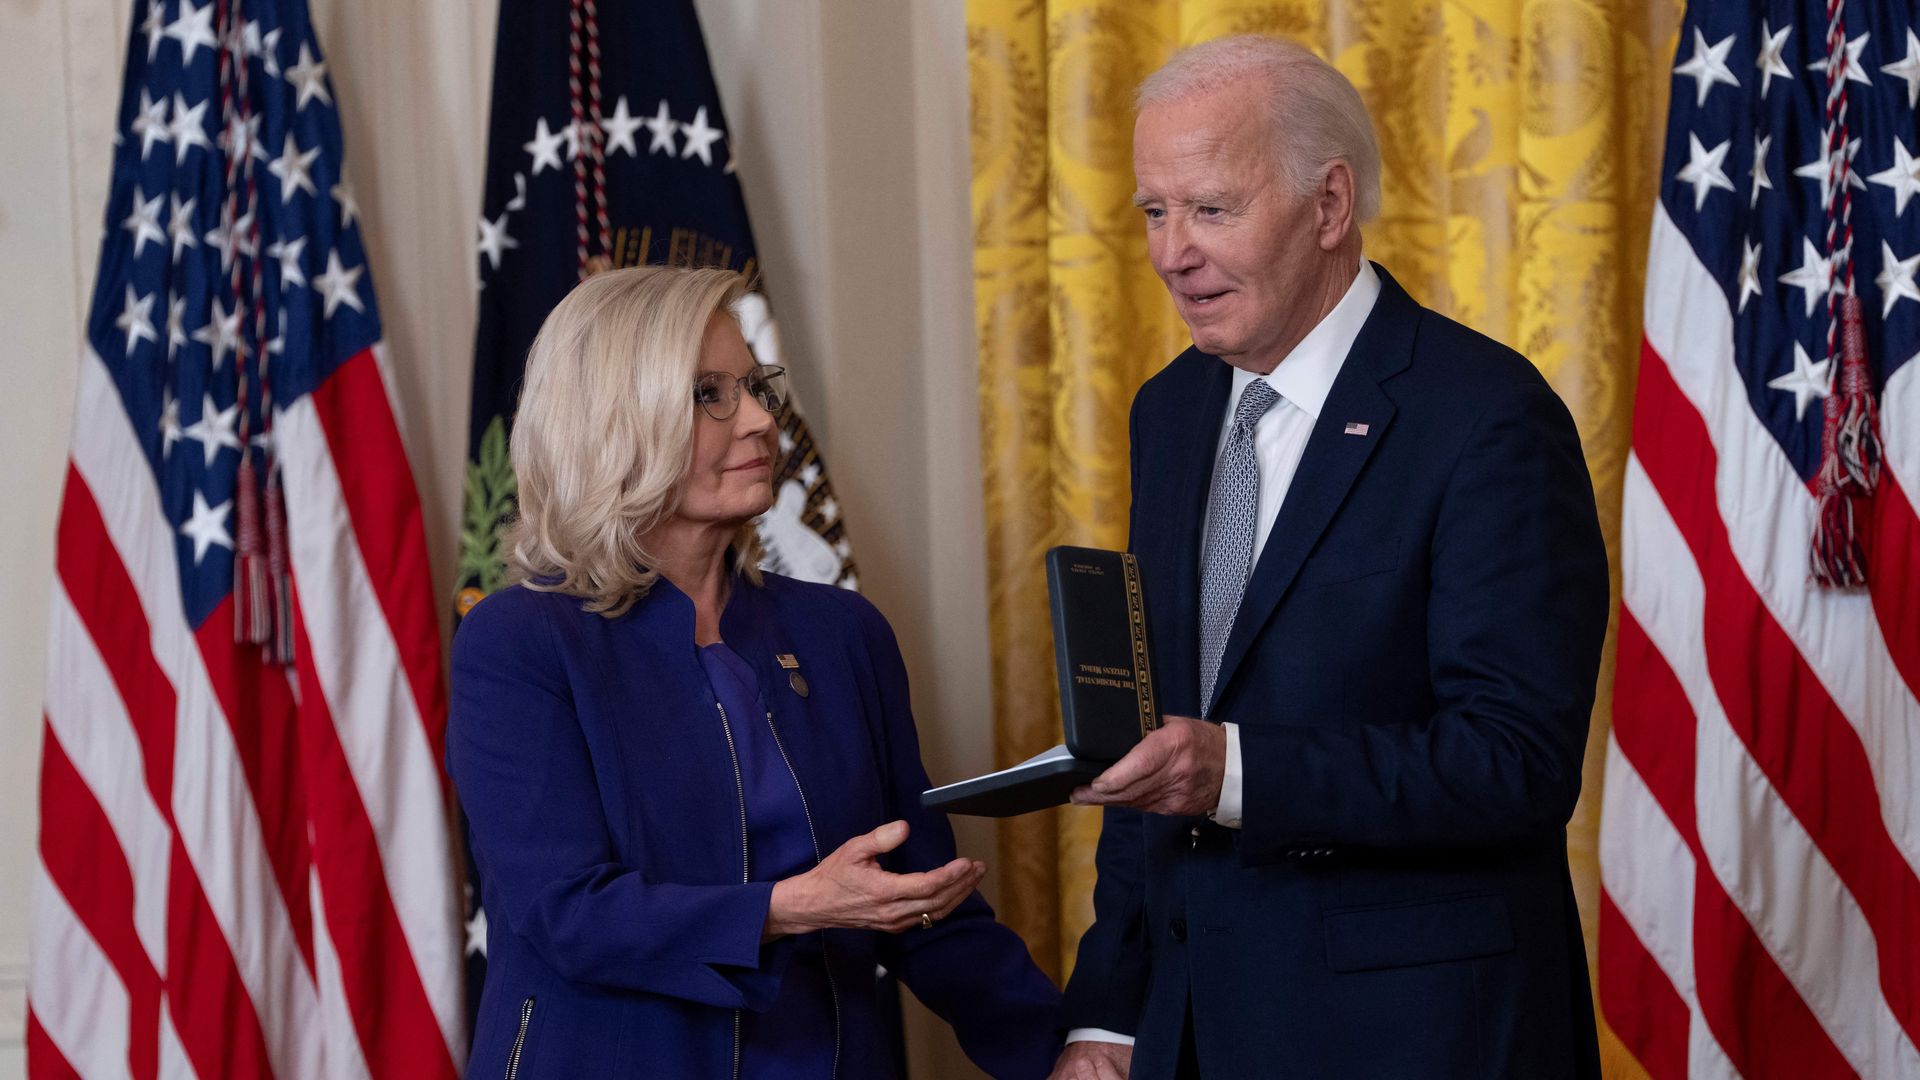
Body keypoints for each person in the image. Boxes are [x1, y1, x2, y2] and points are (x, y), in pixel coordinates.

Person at [1047, 36, 1610, 1080]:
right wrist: (1110, 1016)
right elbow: (1151, 740)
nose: (1172, 252)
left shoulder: (1484, 416)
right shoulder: (1168, 412)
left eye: (1211, 209)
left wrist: (1235, 770)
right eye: (1154, 213)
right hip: (1189, 1037)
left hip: (1416, 1041)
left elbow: (1516, 761)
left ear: (1329, 203)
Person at [449, 265, 1062, 1078]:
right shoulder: (519, 640)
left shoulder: (843, 632)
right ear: (613, 421)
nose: (759, 422)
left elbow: (921, 900)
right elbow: (566, 914)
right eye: (709, 395)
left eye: (754, 387)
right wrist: (790, 909)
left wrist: (1069, 1053)